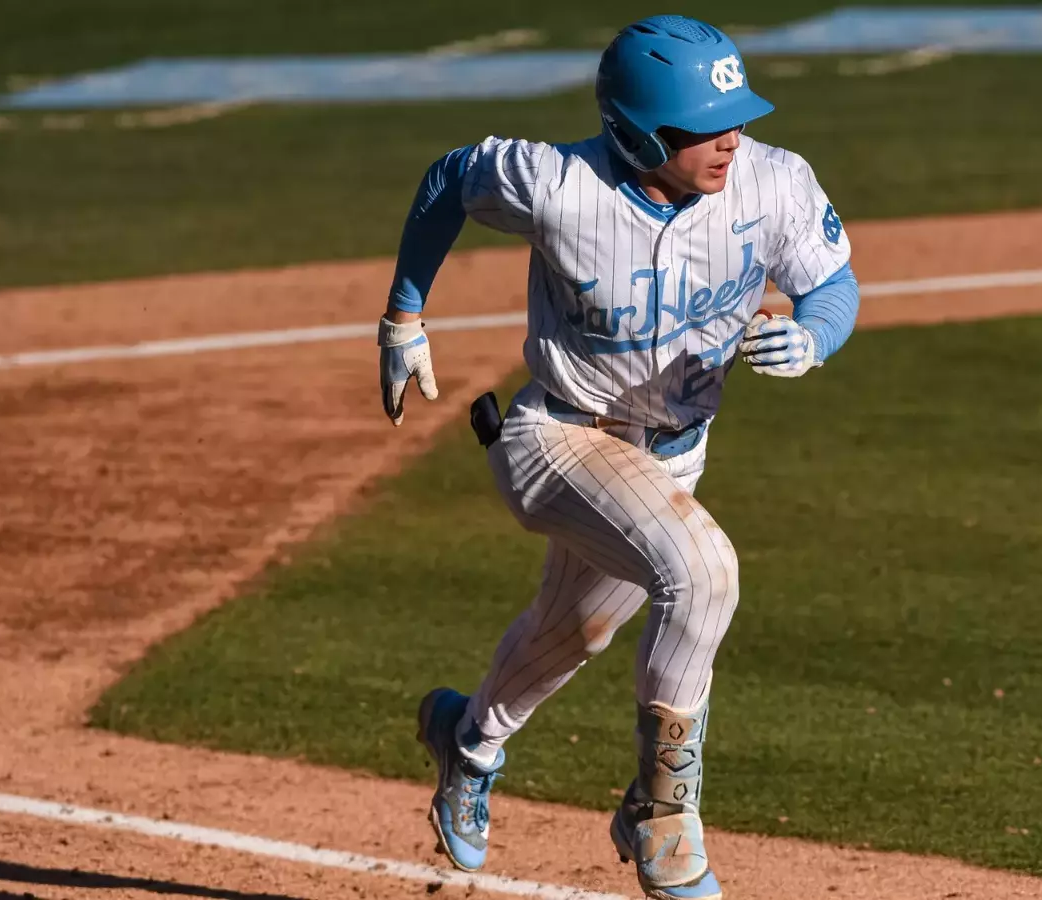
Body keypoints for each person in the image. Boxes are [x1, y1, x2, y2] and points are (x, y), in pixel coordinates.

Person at [376, 15, 859, 900]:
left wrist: (816, 336)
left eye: (737, 118)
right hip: (557, 437)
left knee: (576, 631)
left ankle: (468, 740)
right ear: (638, 134)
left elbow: (831, 283)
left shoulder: (773, 183)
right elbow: (449, 179)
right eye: (700, 130)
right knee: (703, 571)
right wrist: (404, 316)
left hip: (674, 454)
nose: (729, 140)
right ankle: (664, 816)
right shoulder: (557, 183)